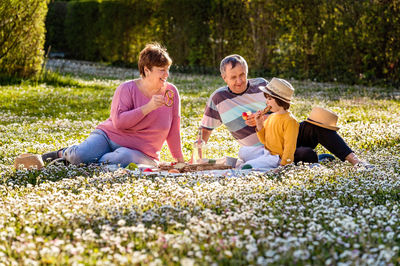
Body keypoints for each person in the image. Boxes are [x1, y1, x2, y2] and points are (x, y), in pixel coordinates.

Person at [199, 54, 370, 168]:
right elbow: (205, 130)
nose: (239, 81)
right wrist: (197, 157)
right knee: (305, 153)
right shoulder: (218, 99)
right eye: (233, 77)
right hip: (265, 149)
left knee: (316, 126)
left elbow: (283, 110)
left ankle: (356, 161)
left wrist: (264, 118)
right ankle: (315, 158)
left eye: (242, 75)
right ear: (224, 78)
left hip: (283, 131)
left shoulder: (261, 84)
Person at [42, 43, 184, 167]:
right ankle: (65, 154)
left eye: (167, 69)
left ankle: (84, 163)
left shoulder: (171, 93)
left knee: (124, 158)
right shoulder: (126, 89)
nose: (167, 74)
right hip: (108, 137)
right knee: (80, 155)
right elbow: (119, 123)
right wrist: (148, 107)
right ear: (147, 70)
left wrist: (179, 160)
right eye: (162, 70)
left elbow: (173, 129)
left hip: (141, 153)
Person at [240, 78, 299, 169]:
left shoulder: (290, 121)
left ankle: (261, 163)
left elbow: (289, 147)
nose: (266, 102)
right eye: (266, 98)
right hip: (266, 151)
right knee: (242, 152)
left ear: (280, 100)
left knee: (247, 166)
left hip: (276, 157)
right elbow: (264, 141)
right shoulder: (271, 117)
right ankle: (261, 160)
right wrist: (259, 124)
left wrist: (283, 165)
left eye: (269, 98)